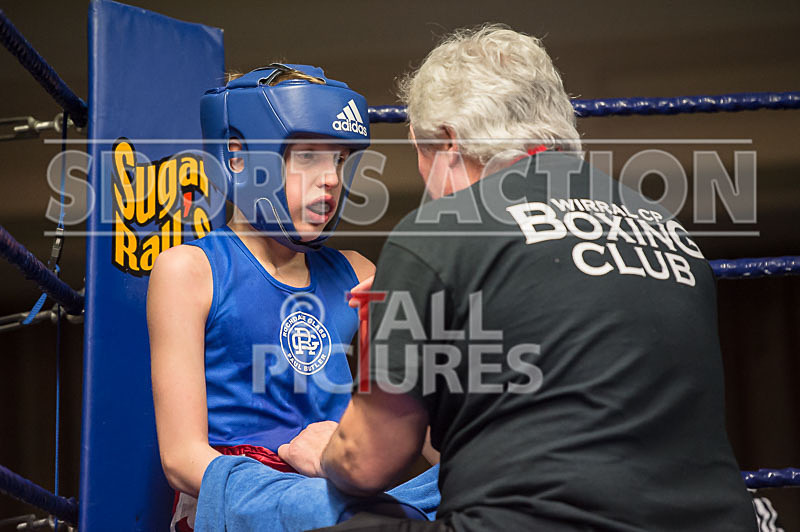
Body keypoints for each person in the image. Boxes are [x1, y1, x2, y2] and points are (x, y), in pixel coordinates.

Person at [276, 26, 760, 531]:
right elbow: (530, 426)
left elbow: (367, 462)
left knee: (300, 514)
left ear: (445, 141)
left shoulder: (436, 234)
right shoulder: (670, 230)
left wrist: (325, 453)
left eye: (418, 152)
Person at [147, 64, 437, 532]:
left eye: (339, 160)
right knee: (324, 509)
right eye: (307, 157)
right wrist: (309, 482)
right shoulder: (190, 270)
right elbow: (181, 459)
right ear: (238, 159)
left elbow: (423, 438)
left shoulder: (359, 272)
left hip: (350, 491)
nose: (331, 180)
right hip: (245, 497)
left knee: (495, 477)